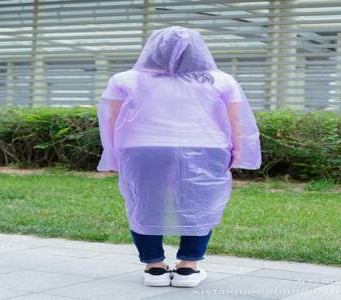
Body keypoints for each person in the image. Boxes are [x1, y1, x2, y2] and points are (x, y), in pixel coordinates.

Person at [96, 26, 262, 287]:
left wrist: (115, 153)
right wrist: (237, 151)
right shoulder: (221, 80)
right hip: (205, 148)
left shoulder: (124, 80)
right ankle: (188, 267)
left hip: (142, 149)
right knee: (199, 203)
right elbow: (235, 122)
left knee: (145, 204)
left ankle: (154, 268)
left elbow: (111, 120)